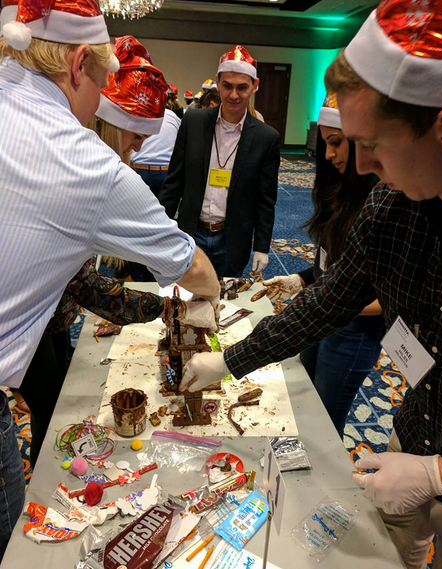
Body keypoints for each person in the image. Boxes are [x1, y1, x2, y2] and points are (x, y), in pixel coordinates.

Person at [179, 1, 442, 567]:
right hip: (416, 431)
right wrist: (229, 363)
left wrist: (441, 472)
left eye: (370, 143)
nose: (362, 165)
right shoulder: (391, 203)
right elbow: (325, 304)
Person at [0, 1, 219, 559]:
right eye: (100, 85)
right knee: (17, 549)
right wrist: (195, 312)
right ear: (78, 65)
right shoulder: (82, 161)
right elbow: (195, 270)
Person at [261, 94, 384, 438]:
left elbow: (389, 298)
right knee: (303, 400)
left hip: (354, 331)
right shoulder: (338, 183)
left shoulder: (380, 198)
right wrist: (303, 279)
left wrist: (328, 300)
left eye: (336, 143)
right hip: (326, 311)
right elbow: (332, 262)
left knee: (323, 427)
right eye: (325, 143)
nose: (329, 154)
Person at [159, 45, 280, 277]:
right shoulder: (193, 122)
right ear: (218, 82)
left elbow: (265, 200)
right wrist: (162, 232)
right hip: (191, 232)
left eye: (242, 88)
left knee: (227, 304)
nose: (234, 95)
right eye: (227, 86)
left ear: (255, 86)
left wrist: (262, 247)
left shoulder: (267, 138)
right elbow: (173, 182)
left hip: (233, 238)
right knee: (186, 298)